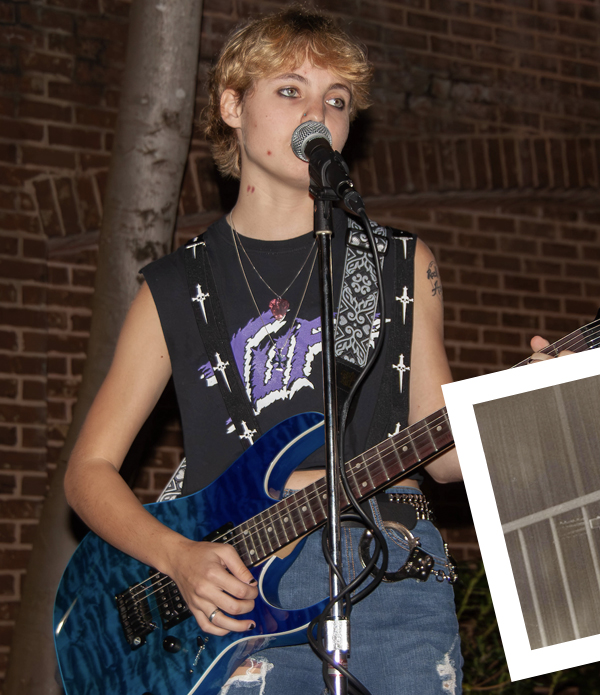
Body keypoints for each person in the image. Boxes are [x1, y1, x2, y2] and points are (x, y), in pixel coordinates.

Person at [64, 8, 465, 694]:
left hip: (392, 573)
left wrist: (528, 400)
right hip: (239, 598)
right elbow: (88, 471)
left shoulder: (400, 263)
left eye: (336, 100)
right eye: (291, 90)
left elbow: (449, 457)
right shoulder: (177, 283)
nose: (320, 113)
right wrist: (177, 554)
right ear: (231, 105)